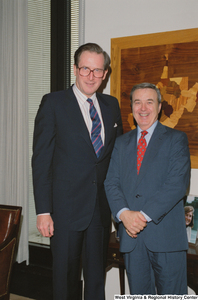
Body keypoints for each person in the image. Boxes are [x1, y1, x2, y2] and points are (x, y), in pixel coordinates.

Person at [32, 42, 122, 300]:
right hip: (64, 211)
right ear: (75, 69)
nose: (91, 76)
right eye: (85, 69)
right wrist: (43, 211)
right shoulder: (54, 103)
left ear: (105, 73)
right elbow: (41, 161)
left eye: (97, 70)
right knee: (66, 281)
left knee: (96, 280)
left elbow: (115, 160)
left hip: (99, 212)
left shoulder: (111, 106)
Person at [104, 82, 191, 295]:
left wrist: (139, 217)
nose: (143, 108)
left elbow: (177, 185)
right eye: (137, 102)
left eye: (149, 102)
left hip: (167, 238)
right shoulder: (120, 143)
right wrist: (124, 215)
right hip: (132, 239)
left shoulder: (176, 139)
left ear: (159, 106)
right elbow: (111, 182)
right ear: (132, 107)